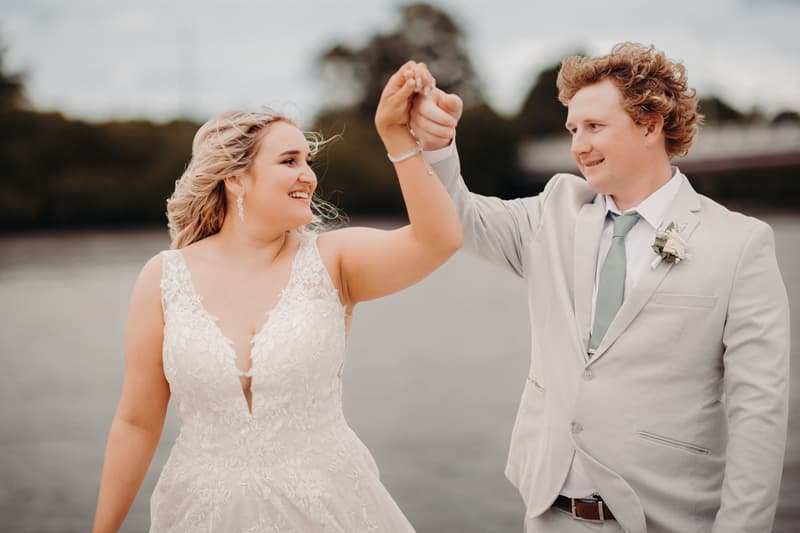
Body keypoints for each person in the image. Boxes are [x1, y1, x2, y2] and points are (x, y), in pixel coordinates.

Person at [410, 42, 790, 532]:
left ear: (651, 124)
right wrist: (438, 147)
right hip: (549, 515)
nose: (577, 145)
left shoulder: (740, 244)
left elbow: (759, 411)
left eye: (594, 127)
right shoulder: (555, 211)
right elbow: (457, 219)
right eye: (573, 129)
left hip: (666, 520)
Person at [92, 61, 462, 532]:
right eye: (289, 161)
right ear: (236, 178)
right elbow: (137, 423)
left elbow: (439, 241)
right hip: (200, 513)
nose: (308, 174)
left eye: (308, 161)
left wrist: (395, 137)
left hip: (330, 508)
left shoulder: (334, 261)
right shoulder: (164, 278)